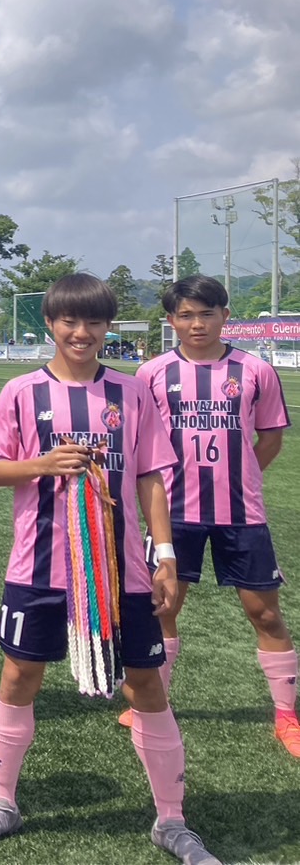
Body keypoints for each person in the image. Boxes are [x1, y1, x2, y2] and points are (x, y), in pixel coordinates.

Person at [0, 274, 219, 865]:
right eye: (70, 321)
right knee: (19, 678)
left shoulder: (132, 393)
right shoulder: (22, 392)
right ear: (50, 323)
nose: (82, 332)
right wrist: (43, 463)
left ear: (107, 327)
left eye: (94, 322)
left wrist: (165, 556)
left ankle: (172, 820)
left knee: (147, 685)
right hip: (39, 568)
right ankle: (1, 802)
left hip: (121, 572)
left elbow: (151, 477)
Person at [129, 274, 296, 754]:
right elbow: (142, 446)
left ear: (225, 316)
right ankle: (153, 704)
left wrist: (241, 476)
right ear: (171, 321)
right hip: (172, 512)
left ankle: (287, 715)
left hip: (241, 513)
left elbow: (271, 437)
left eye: (207, 313)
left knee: (265, 613)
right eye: (186, 315)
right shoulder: (152, 374)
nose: (197, 323)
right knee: (163, 607)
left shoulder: (256, 371)